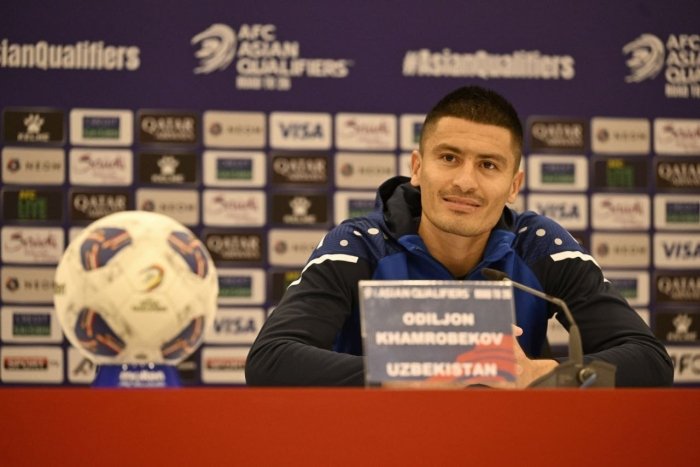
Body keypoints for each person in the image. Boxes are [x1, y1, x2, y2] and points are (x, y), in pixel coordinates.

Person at [245, 85, 674, 387]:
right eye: (449, 158)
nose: (465, 182)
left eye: (488, 165)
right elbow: (270, 360)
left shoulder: (539, 245)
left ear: (514, 185)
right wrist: (405, 379)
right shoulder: (359, 245)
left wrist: (536, 375)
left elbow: (650, 362)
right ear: (417, 168)